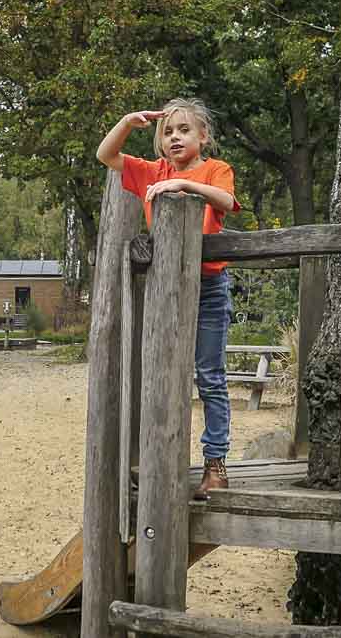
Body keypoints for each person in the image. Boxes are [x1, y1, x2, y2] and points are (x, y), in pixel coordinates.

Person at [94, 98, 240, 500]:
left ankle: (216, 465)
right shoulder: (151, 171)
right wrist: (126, 122)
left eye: (184, 130)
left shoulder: (215, 170)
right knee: (160, 372)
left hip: (209, 288)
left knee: (209, 375)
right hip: (165, 288)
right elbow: (106, 154)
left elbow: (225, 202)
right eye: (168, 132)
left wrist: (182, 184)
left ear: (203, 136)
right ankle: (161, 458)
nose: (175, 137)